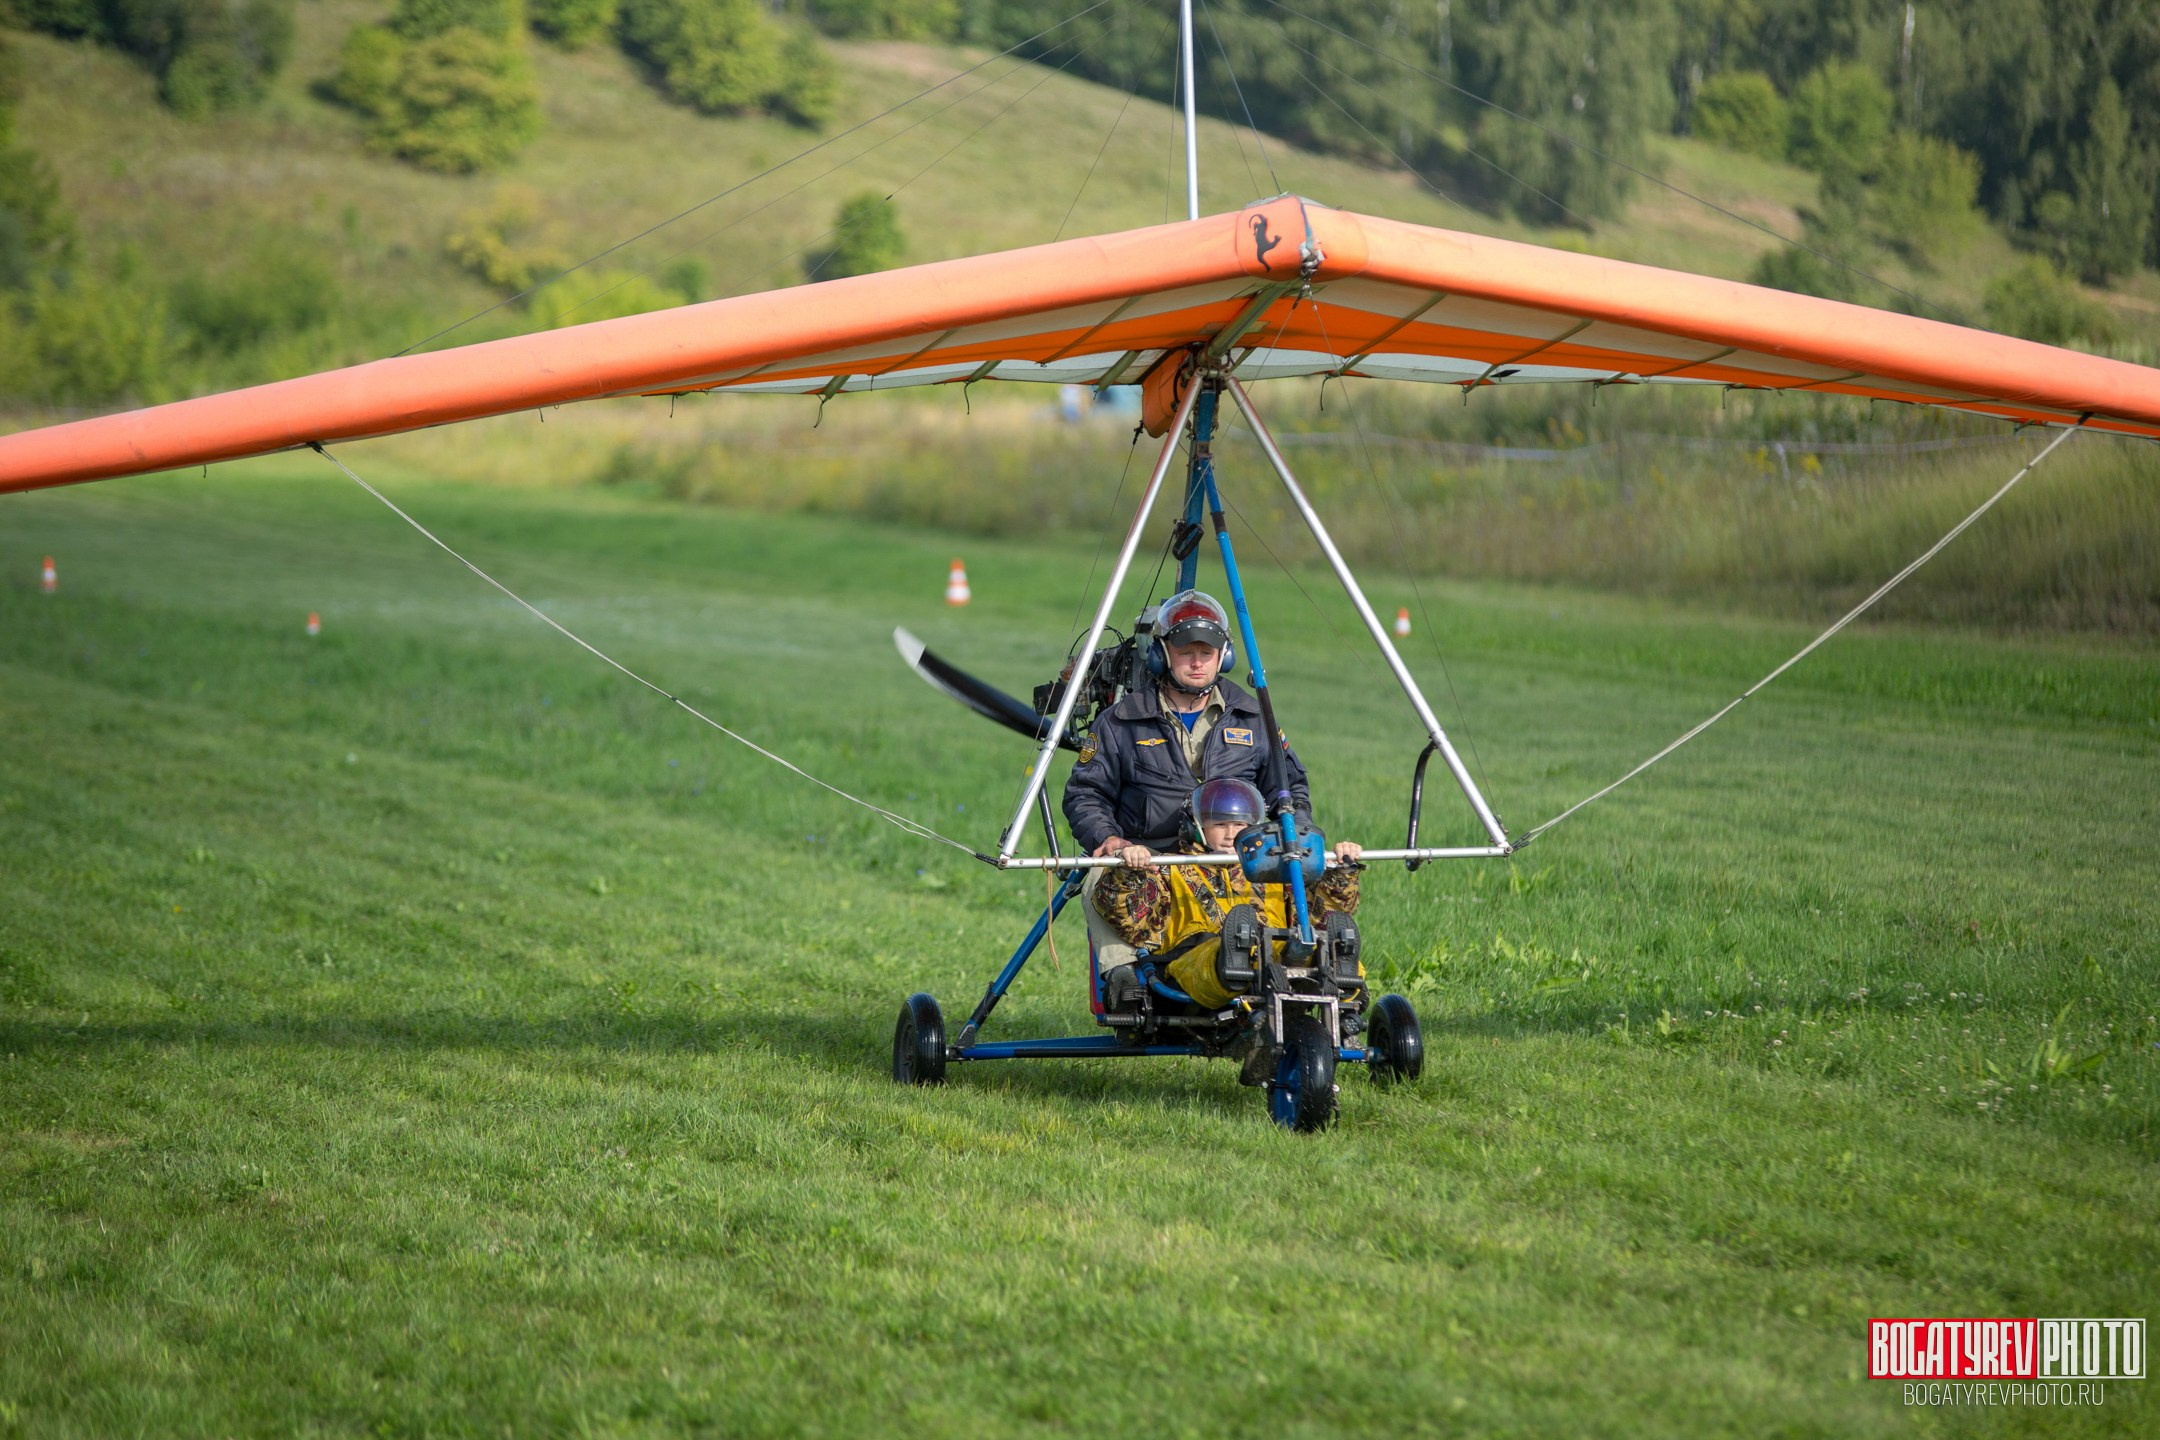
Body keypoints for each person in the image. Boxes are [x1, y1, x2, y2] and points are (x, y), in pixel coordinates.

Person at [1061, 589, 1359, 1003]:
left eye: (1208, 650)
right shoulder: (1121, 721)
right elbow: (1085, 793)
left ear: (1225, 656)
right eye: (1186, 651)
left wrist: (1298, 832)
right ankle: (1123, 974)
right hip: (1151, 859)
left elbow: (1288, 789)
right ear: (1162, 654)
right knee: (1101, 871)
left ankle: (1317, 956)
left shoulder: (1254, 716)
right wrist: (1111, 840)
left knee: (1308, 866)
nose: (1197, 661)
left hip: (1235, 852)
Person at [1094, 776, 1363, 1009]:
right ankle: (1234, 962)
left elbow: (1318, 914)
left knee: (1310, 941)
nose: (1230, 834)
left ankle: (1342, 972)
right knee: (1217, 951)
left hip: (1274, 954)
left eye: (1240, 826)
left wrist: (1340, 872)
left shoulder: (1276, 871)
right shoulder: (1170, 869)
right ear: (1198, 827)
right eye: (1220, 825)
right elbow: (1129, 919)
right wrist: (1130, 871)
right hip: (1192, 959)